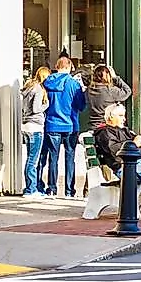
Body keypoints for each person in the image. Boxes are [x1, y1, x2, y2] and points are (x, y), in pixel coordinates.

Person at [38, 55, 85, 196]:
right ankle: (69, 190)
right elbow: (81, 106)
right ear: (70, 67)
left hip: (52, 124)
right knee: (70, 158)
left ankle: (52, 188)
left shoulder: (47, 83)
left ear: (57, 67)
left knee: (53, 158)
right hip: (71, 125)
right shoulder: (73, 84)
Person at [17, 70, 48, 195]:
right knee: (33, 160)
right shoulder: (39, 89)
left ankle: (30, 188)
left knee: (30, 158)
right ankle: (31, 189)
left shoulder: (29, 88)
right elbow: (36, 109)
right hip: (35, 126)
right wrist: (46, 105)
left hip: (26, 125)